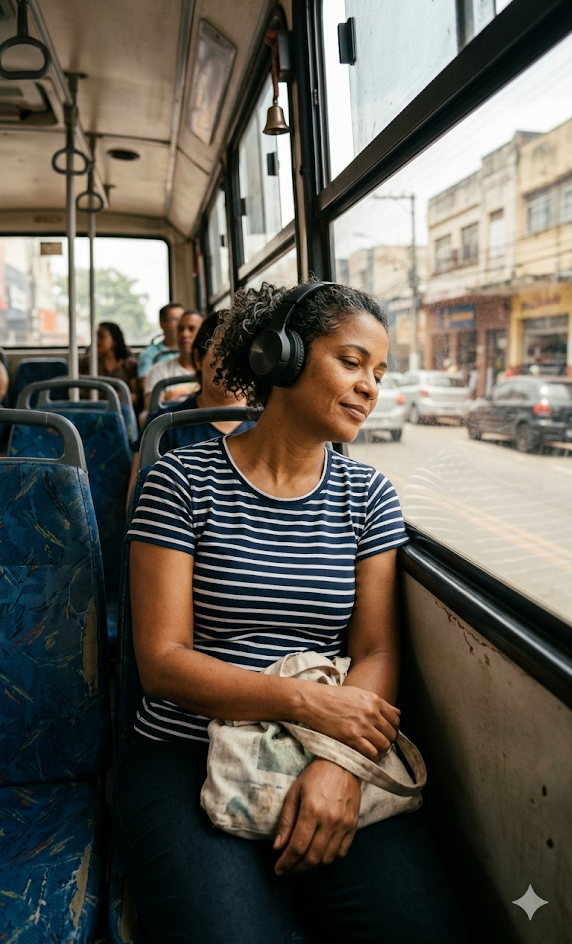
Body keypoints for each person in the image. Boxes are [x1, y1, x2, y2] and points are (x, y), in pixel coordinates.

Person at [114, 281, 467, 944]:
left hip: (323, 747)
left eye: (380, 373)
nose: (371, 388)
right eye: (352, 362)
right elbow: (161, 664)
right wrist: (305, 704)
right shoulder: (180, 481)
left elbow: (377, 652)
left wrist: (340, 765)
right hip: (186, 749)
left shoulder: (368, 496)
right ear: (281, 357)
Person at [126, 311, 256, 503]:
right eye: (223, 351)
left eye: (243, 352)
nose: (235, 363)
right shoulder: (164, 426)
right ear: (198, 358)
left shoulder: (271, 423)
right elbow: (138, 502)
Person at [143, 310, 202, 414]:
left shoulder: (212, 371)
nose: (184, 334)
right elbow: (153, 411)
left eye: (191, 329)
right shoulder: (159, 370)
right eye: (180, 329)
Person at [80, 321, 138, 405]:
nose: (97, 341)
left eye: (101, 337)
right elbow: (75, 391)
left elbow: (135, 395)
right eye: (96, 337)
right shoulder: (87, 363)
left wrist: (119, 397)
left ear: (114, 340)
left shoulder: (130, 365)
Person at [137, 302, 184, 397]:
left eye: (182, 319)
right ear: (162, 324)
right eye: (174, 319)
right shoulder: (149, 354)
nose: (180, 324)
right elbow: (146, 386)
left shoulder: (193, 351)